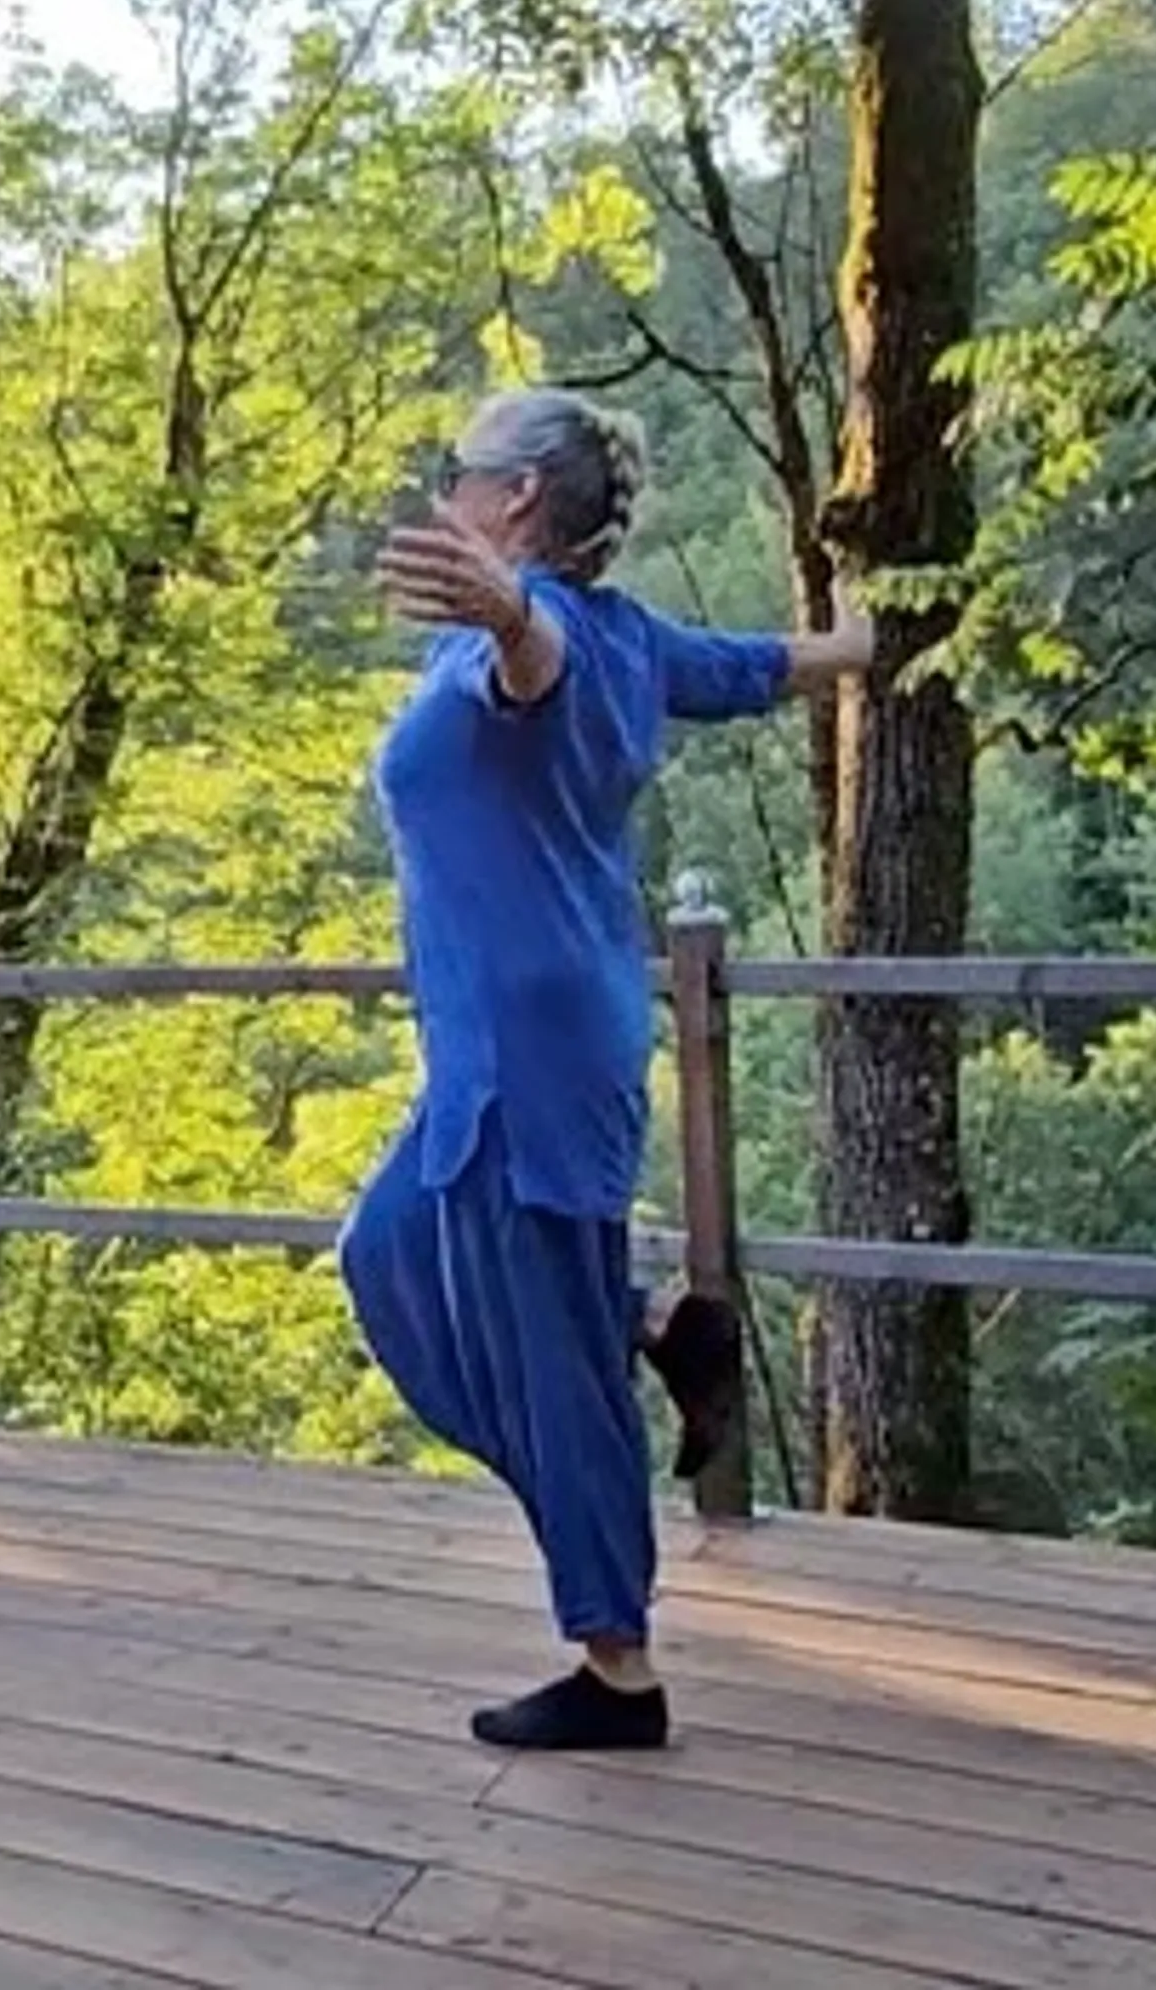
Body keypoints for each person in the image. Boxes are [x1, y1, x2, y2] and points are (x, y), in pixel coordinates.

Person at [352, 387, 870, 1752]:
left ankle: (617, 1663)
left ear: (516, 498)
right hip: (515, 1046)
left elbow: (538, 668)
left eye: (461, 473)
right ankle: (654, 1323)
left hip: (531, 1055)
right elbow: (755, 664)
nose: (446, 492)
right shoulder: (637, 636)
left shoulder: (543, 634)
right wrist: (870, 641)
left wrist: (508, 609)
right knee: (389, 1251)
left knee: (550, 1353)